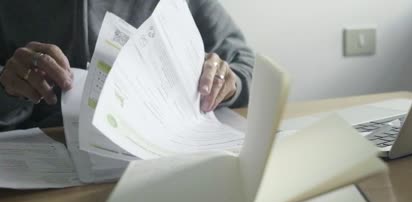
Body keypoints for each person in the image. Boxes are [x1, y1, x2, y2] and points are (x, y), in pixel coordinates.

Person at [0, 0, 255, 131]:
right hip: (39, 164)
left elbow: (242, 63)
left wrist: (227, 82)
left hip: (158, 154)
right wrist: (7, 86)